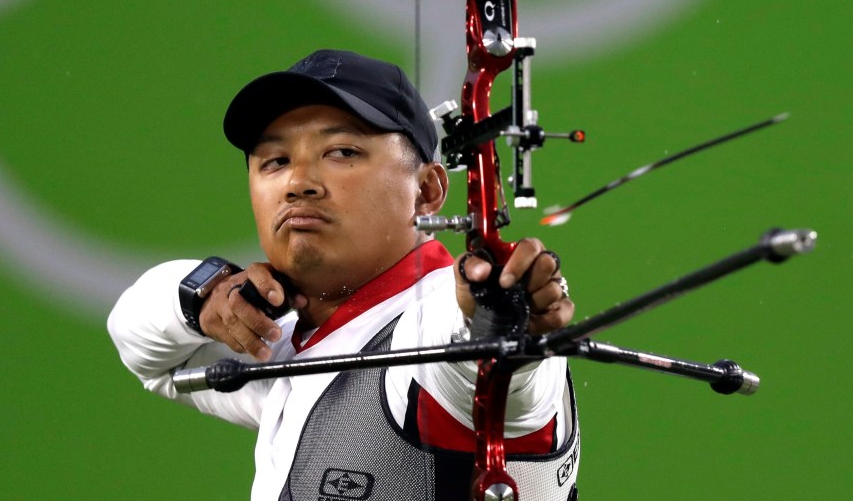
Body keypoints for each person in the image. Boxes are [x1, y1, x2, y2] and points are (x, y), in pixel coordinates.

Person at [107, 49, 580, 500]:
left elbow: (484, 374)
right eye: (275, 161)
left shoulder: (428, 323)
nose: (298, 183)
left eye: (342, 152)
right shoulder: (279, 335)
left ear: (427, 190)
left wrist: (501, 322)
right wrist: (204, 294)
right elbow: (146, 351)